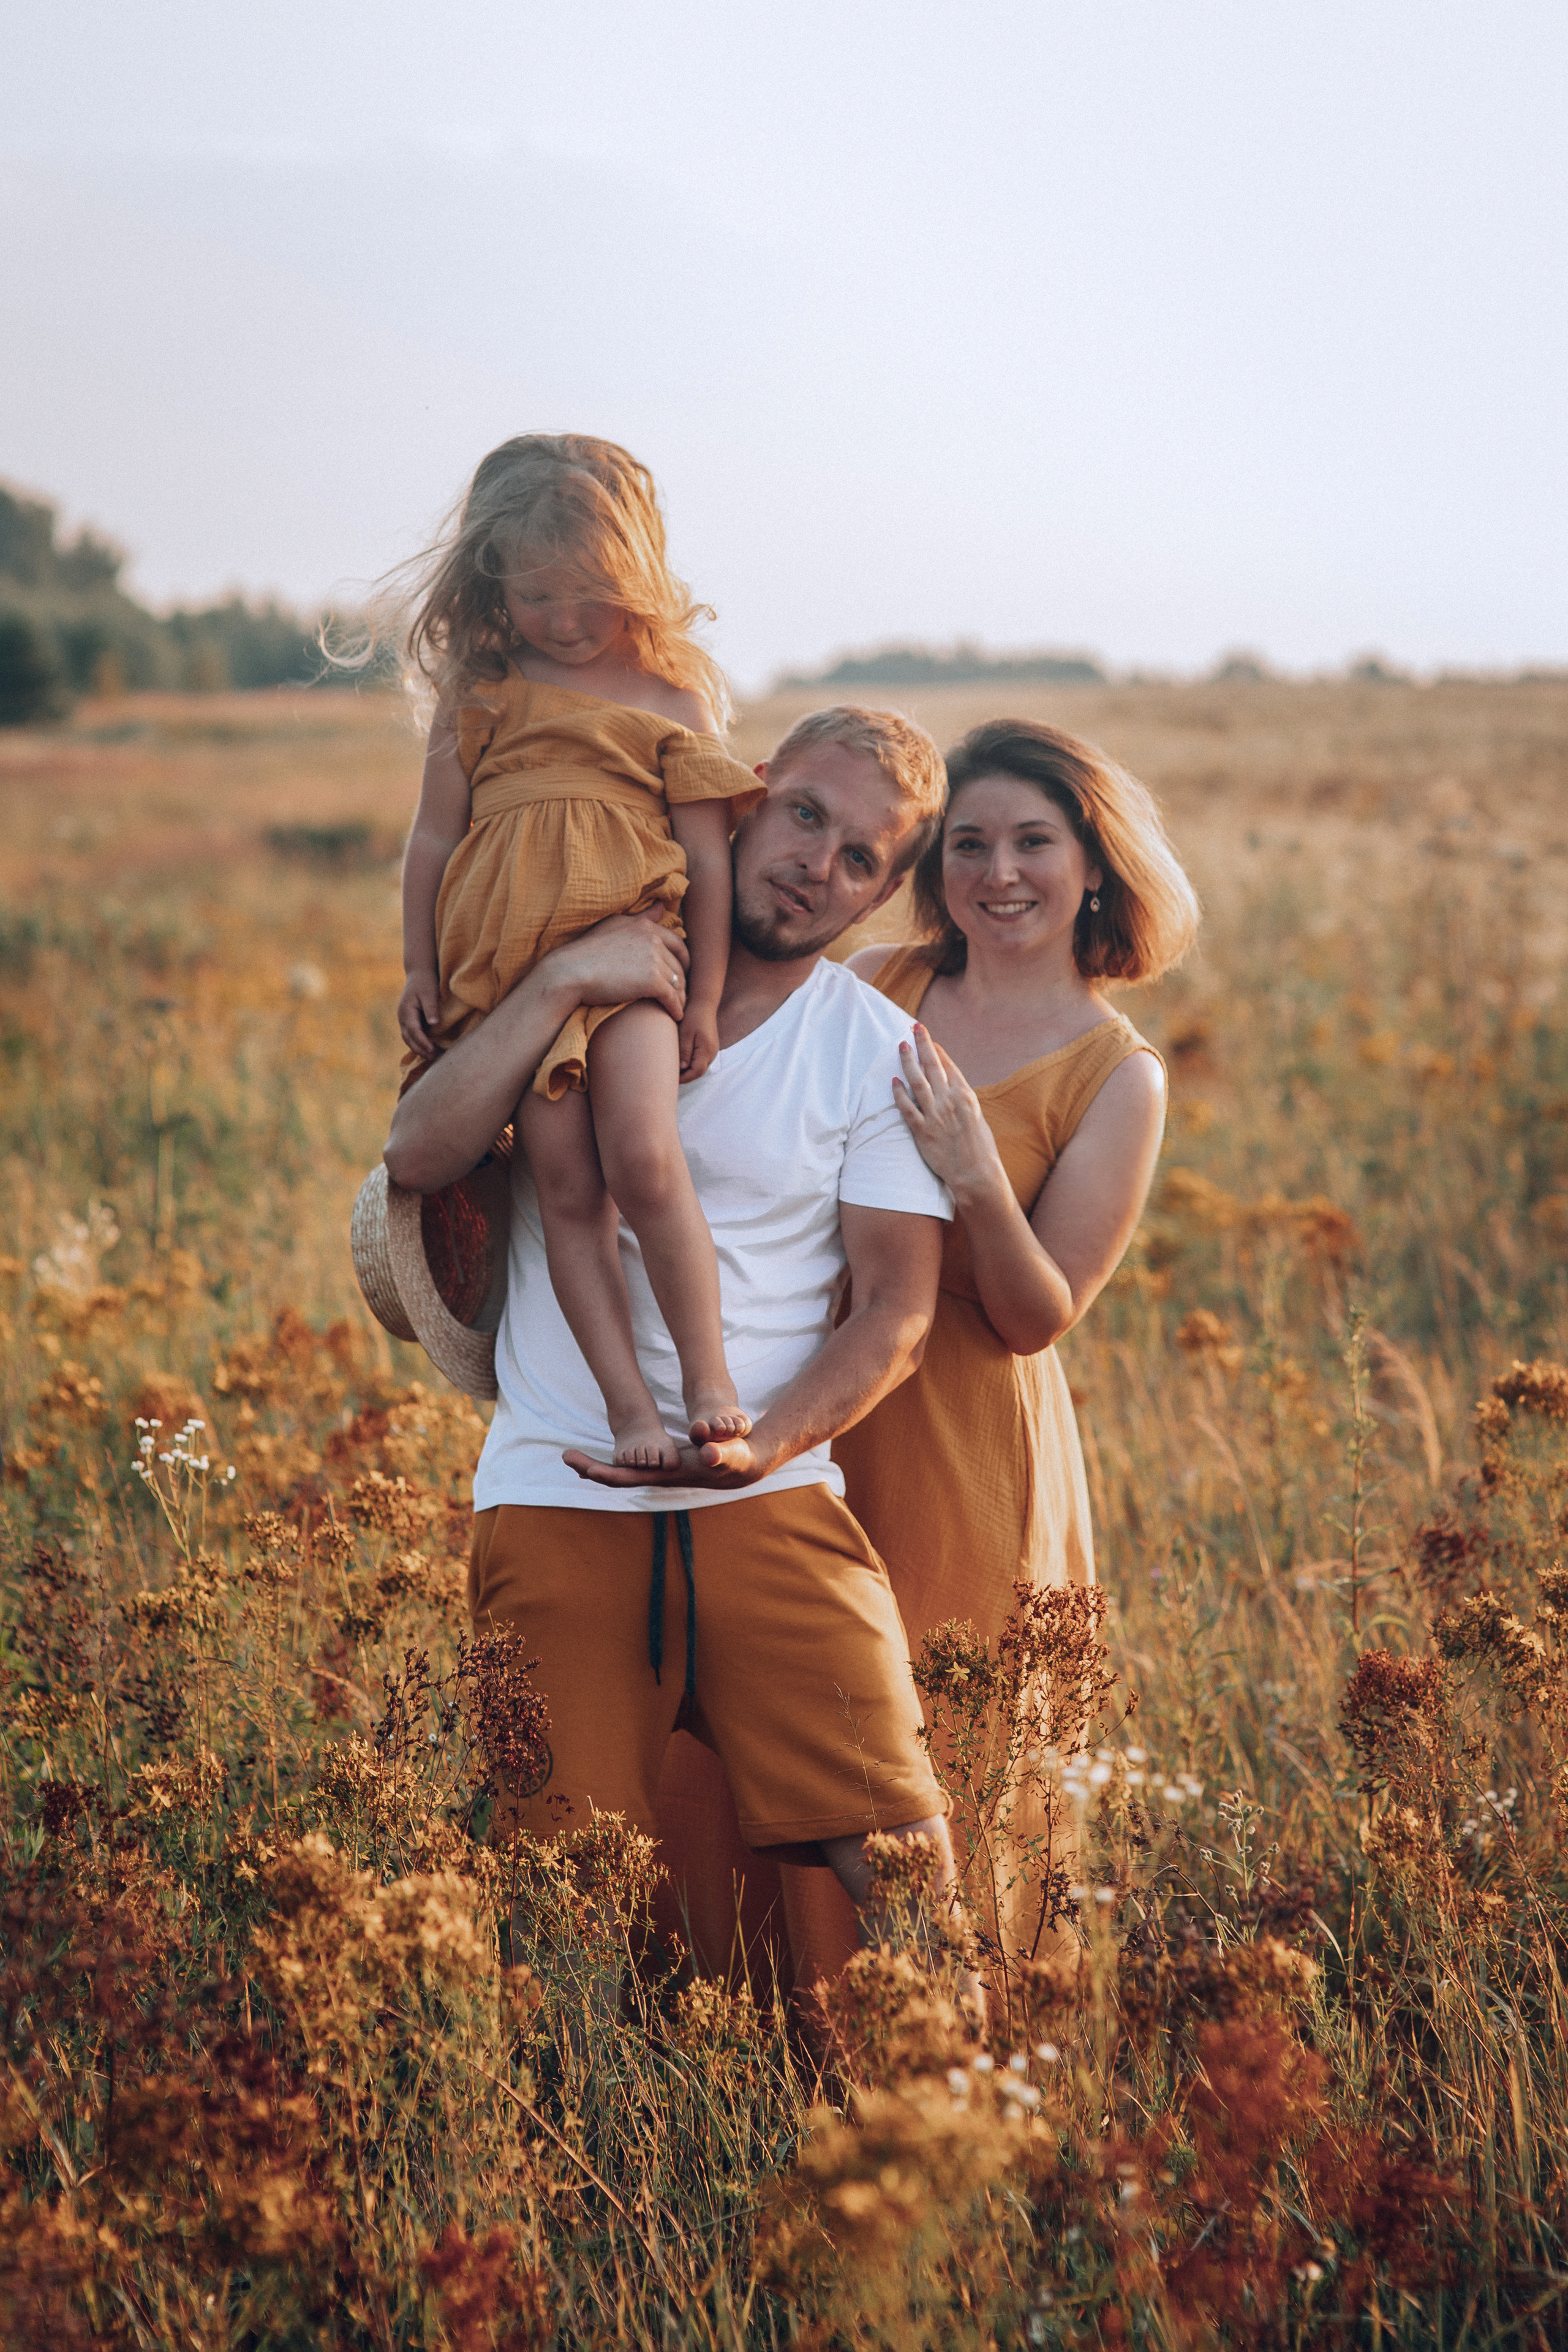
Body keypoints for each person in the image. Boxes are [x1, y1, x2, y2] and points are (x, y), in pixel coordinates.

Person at [384, 705, 968, 1953]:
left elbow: (896, 1312)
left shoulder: (871, 1050)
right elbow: (419, 1153)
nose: (819, 864)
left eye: (863, 857)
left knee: (915, 1880)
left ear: (880, 897)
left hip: (774, 1501)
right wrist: (558, 981)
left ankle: (973, 2139)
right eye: (806, 815)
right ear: (743, 795)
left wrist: (761, 1444)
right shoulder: (564, 955)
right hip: (556, 1495)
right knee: (553, 1916)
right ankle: (555, 2145)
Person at [780, 717, 1201, 1989]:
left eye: (1032, 841)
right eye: (967, 845)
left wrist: (971, 1174)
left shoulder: (1114, 1074)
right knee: (796, 1714)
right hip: (819, 1400)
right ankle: (771, 2056)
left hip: (967, 1448)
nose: (998, 873)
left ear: (1092, 863)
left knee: (941, 1746)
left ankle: (961, 2064)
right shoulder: (876, 983)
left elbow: (1035, 1313)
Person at [396, 434, 763, 1469]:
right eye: (535, 597)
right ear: (492, 584)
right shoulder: (480, 697)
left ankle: (706, 1378)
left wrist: (703, 1001)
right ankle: (626, 1409)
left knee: (644, 1159)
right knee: (563, 1190)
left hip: (637, 966)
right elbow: (432, 841)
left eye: (587, 597)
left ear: (636, 578)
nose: (561, 622)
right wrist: (420, 968)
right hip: (515, 983)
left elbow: (712, 865)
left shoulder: (672, 701)